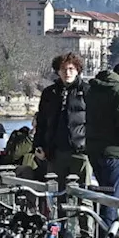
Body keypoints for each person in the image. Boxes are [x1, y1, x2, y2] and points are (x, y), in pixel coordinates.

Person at [85, 61, 119, 228]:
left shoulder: (93, 89)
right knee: (113, 198)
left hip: (94, 148)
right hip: (115, 151)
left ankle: (102, 234)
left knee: (103, 194)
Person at [34, 53, 89, 189]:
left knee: (83, 193)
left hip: (80, 151)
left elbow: (96, 121)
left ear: (77, 71)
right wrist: (38, 144)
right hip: (55, 152)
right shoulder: (49, 93)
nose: (67, 73)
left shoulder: (87, 90)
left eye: (71, 69)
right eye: (63, 69)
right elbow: (41, 122)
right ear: (58, 71)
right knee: (57, 193)